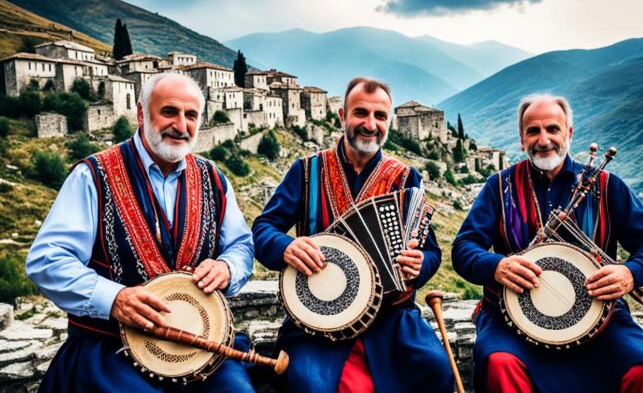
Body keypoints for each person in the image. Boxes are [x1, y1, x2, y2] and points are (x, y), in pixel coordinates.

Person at [26, 73, 255, 392]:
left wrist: (227, 267)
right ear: (141, 113)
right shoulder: (92, 176)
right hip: (111, 350)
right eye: (169, 112)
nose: (181, 125)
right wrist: (114, 298)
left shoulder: (213, 179)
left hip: (202, 346)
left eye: (191, 116)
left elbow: (241, 245)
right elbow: (47, 261)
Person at [452, 94, 643, 393]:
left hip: (600, 319)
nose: (543, 141)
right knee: (500, 363)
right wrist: (497, 266)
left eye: (552, 129)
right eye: (533, 131)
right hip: (510, 321)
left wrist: (630, 273)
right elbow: (464, 248)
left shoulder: (607, 185)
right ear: (521, 139)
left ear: (568, 133)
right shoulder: (498, 186)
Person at [252, 77, 454, 392]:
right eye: (360, 113)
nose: (370, 124)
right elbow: (263, 230)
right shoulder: (305, 171)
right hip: (318, 319)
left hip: (392, 319)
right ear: (342, 116)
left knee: (435, 369)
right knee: (310, 384)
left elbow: (431, 253)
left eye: (380, 116)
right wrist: (286, 247)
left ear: (390, 122)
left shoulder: (405, 178)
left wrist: (419, 265)